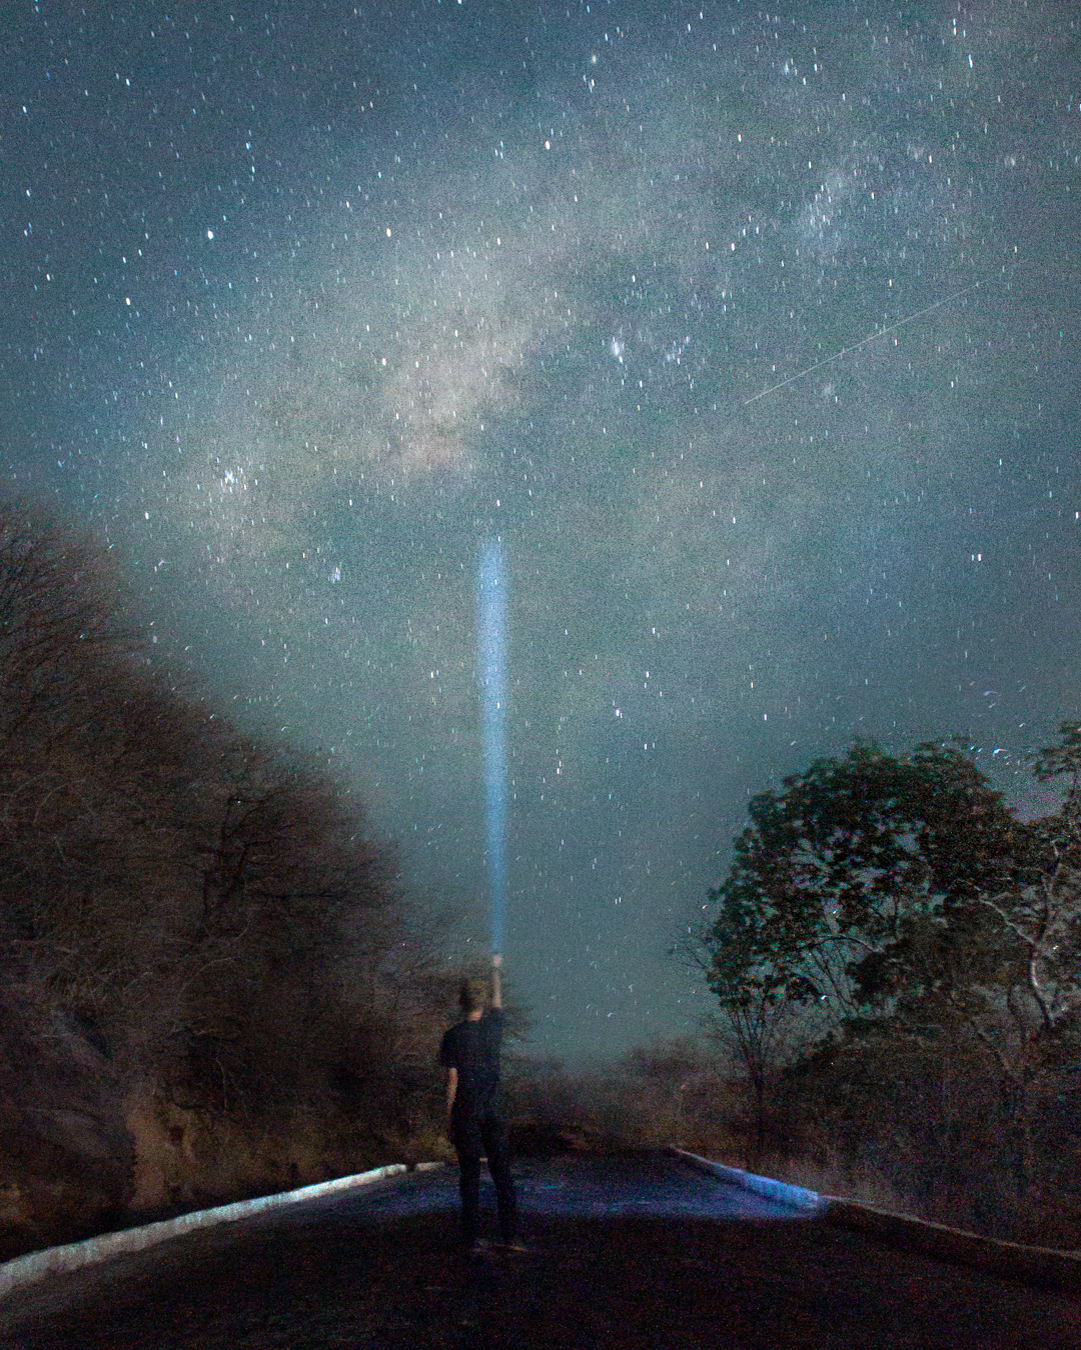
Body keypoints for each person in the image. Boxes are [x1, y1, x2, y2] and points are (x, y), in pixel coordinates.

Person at [438, 952, 520, 1253]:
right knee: (502, 1174)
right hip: (494, 1109)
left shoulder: (452, 1036)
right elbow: (499, 1003)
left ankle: (472, 1238)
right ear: (483, 1004)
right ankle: (511, 1236)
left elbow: (452, 1081)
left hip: (466, 1111)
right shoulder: (493, 1028)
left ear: (460, 1003)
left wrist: (448, 1119)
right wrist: (495, 971)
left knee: (469, 1176)